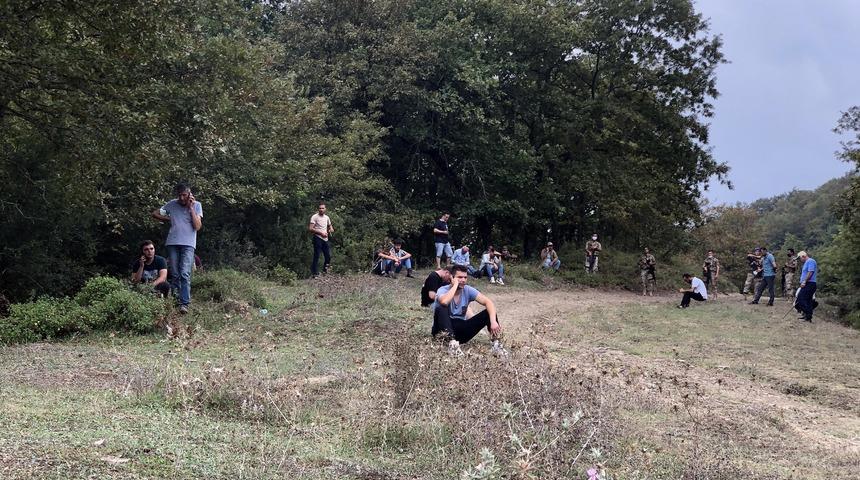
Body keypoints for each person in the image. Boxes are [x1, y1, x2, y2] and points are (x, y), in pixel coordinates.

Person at [432, 265, 507, 356]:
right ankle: (452, 345)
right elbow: (444, 301)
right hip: (442, 331)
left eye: (465, 277)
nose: (463, 280)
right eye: (459, 277)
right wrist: (455, 285)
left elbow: (488, 302)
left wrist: (493, 321)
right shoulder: (443, 290)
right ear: (451, 277)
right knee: (441, 308)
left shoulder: (468, 290)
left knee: (489, 311)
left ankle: (496, 345)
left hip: (461, 331)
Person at [151, 183, 202, 314]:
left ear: (189, 194)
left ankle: (184, 303)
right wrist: (168, 218)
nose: (181, 198)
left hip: (188, 243)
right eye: (179, 195)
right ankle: (174, 300)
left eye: (184, 195)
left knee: (185, 272)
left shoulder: (197, 205)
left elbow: (197, 226)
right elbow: (155, 213)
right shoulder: (172, 204)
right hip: (172, 242)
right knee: (174, 273)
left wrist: (191, 208)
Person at [308, 203, 334, 278]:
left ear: (325, 209)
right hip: (317, 238)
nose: (321, 210)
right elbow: (310, 228)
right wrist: (321, 233)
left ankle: (325, 272)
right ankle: (314, 274)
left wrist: (331, 229)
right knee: (317, 256)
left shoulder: (327, 217)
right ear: (318, 209)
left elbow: (330, 226)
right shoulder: (314, 217)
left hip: (325, 239)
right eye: (320, 208)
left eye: (323, 208)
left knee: (328, 257)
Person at [795, 251, 818, 322]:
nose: (800, 260)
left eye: (799, 258)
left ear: (803, 256)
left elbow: (810, 272)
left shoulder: (811, 261)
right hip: (807, 283)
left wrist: (804, 281)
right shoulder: (806, 263)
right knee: (807, 301)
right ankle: (807, 316)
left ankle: (808, 315)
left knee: (801, 299)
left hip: (809, 283)